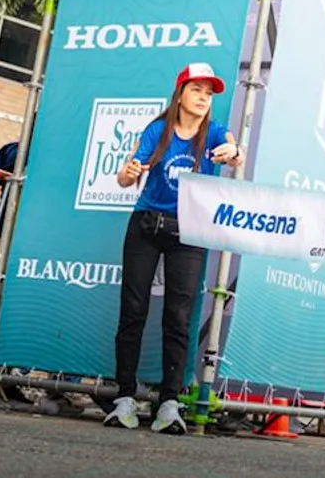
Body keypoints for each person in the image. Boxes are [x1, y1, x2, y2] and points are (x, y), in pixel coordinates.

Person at [104, 62, 242, 435]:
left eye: (208, 93)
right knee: (133, 311)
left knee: (178, 317)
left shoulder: (215, 132)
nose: (203, 97)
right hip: (146, 225)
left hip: (190, 231)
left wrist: (232, 152)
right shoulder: (157, 130)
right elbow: (125, 175)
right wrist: (127, 173)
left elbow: (234, 152)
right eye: (196, 89)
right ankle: (125, 396)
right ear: (180, 94)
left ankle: (170, 401)